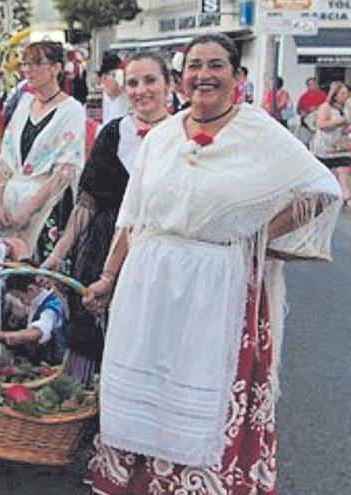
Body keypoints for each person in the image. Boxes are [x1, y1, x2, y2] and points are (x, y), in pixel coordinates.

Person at [83, 33, 341, 494]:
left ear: (237, 77)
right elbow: (131, 217)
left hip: (218, 284)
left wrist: (259, 234)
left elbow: (320, 189)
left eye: (216, 66)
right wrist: (107, 277)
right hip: (149, 283)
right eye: (194, 67)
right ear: (181, 80)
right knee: (148, 394)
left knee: (205, 397)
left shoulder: (259, 132)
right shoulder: (162, 136)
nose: (204, 75)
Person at [41, 51, 171, 388]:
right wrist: (58, 253)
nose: (141, 90)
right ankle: (83, 411)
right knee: (92, 332)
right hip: (101, 247)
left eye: (150, 80)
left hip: (154, 250)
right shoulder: (113, 133)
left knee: (146, 333)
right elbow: (87, 201)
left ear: (169, 85)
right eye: (133, 82)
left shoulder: (181, 135)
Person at [0, 41, 85, 264]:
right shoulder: (24, 103)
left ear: (56, 68)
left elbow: (64, 171)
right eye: (26, 63)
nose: (28, 69)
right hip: (9, 199)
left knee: (33, 278)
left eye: (37, 63)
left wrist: (26, 211)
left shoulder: (72, 110)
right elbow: (4, 159)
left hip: (45, 205)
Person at [311, 81, 351, 205]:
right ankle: (320, 194)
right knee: (324, 171)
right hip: (326, 146)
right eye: (342, 93)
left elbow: (347, 124)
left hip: (341, 145)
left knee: (344, 169)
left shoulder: (347, 108)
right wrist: (338, 122)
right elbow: (321, 124)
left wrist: (347, 127)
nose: (346, 96)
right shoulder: (326, 107)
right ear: (335, 94)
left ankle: (346, 196)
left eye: (346, 93)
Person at [97, 52, 131, 125]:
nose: (119, 79)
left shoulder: (129, 99)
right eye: (114, 75)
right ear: (104, 77)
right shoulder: (95, 100)